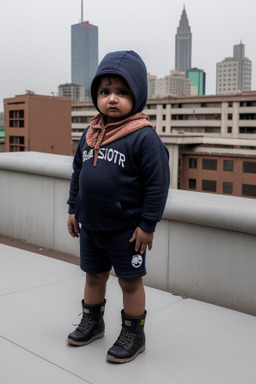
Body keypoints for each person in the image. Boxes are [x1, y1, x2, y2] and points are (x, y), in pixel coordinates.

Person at [66, 50, 170, 364]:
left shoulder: (144, 139)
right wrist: (73, 209)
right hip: (92, 226)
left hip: (127, 231)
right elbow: (78, 173)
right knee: (93, 276)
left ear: (137, 96)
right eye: (105, 91)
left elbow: (157, 185)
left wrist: (147, 224)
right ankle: (93, 322)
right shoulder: (90, 134)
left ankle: (133, 334)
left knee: (129, 282)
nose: (112, 99)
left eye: (122, 92)